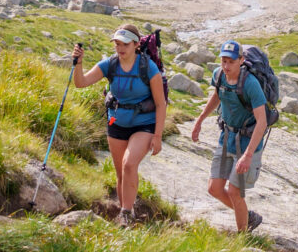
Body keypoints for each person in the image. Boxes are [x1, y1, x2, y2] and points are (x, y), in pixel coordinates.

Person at [72, 24, 168, 226]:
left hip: (144, 124)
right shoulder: (110, 64)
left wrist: (157, 136)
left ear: (135, 44)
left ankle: (126, 211)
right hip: (117, 121)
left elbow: (161, 103)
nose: (120, 48)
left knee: (129, 163)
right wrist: (78, 64)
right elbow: (80, 83)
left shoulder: (148, 67)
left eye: (124, 44)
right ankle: (125, 218)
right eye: (117, 43)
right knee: (120, 172)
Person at [189, 40, 268, 234]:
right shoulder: (219, 75)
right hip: (226, 139)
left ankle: (243, 237)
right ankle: (248, 216)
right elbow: (217, 95)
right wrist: (200, 120)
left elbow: (262, 121)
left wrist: (248, 155)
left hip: (247, 143)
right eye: (223, 60)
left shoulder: (250, 84)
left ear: (241, 60)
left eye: (231, 61)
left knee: (234, 192)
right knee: (214, 188)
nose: (226, 66)